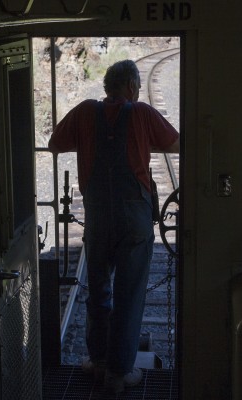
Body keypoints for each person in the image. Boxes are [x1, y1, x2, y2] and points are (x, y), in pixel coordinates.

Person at [48, 59, 179, 393]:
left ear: (107, 86)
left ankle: (98, 362)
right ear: (133, 86)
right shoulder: (142, 113)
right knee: (129, 294)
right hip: (134, 218)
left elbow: (55, 143)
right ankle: (118, 374)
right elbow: (176, 143)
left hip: (97, 218)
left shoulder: (84, 112)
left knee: (99, 291)